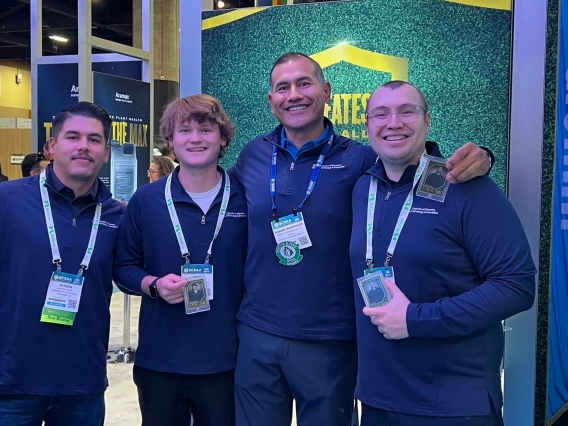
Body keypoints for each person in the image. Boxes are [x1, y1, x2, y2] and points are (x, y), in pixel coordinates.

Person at [231, 51, 494, 426]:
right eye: (282, 88)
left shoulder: (359, 158)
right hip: (257, 330)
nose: (294, 95)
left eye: (305, 84)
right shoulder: (253, 155)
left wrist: (481, 158)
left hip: (330, 338)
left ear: (327, 91)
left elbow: (412, 162)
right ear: (271, 100)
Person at [349, 81, 536, 425]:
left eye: (407, 111)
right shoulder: (363, 187)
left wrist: (415, 319)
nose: (393, 123)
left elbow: (517, 285)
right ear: (367, 126)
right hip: (379, 401)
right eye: (381, 113)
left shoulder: (466, 186)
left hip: (453, 404)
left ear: (428, 121)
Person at [113, 94, 248, 426]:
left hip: (227, 362)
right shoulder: (146, 200)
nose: (196, 139)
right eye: (184, 130)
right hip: (161, 362)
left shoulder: (246, 197)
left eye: (205, 129)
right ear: (170, 141)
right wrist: (154, 285)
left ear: (223, 138)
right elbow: (123, 267)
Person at [0, 102, 125, 425]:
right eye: (73, 137)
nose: (84, 146)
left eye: (94, 140)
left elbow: (129, 272)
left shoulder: (117, 216)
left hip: (82, 382)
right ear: (51, 147)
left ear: (106, 152)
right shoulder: (8, 201)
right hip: (13, 381)